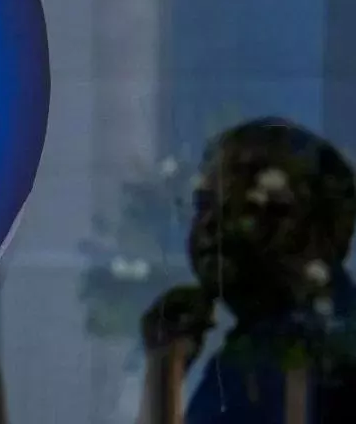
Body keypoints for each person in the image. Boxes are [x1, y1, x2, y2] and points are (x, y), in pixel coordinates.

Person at [139, 118, 356, 423]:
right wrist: (165, 365)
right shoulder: (260, 347)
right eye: (204, 205)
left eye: (251, 207)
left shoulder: (309, 349)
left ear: (316, 230)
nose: (212, 225)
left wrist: (164, 367)